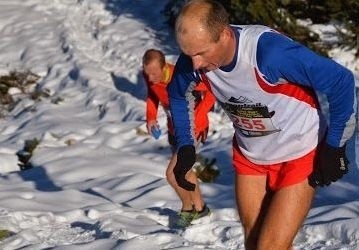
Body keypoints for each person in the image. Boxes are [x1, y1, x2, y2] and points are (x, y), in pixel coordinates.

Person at [168, 0, 356, 249]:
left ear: (224, 34)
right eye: (188, 54)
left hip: (299, 153)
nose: (195, 64)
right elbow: (178, 95)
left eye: (201, 53)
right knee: (254, 241)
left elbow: (341, 82)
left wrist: (335, 146)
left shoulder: (268, 54)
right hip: (251, 156)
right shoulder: (195, 60)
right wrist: (185, 146)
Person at [142, 49, 216, 227]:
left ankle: (188, 208)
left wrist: (197, 116)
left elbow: (212, 91)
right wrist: (151, 117)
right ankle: (201, 209)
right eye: (147, 73)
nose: (150, 77)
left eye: (154, 73)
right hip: (174, 130)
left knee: (173, 174)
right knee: (187, 171)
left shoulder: (181, 76)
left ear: (164, 66)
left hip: (193, 129)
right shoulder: (150, 76)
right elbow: (152, 94)